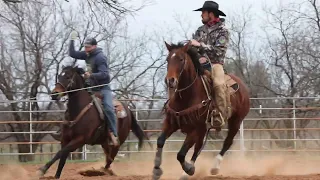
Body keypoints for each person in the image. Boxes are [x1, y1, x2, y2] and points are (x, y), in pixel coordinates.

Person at [63, 31, 119, 146]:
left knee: (108, 108)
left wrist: (91, 75)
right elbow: (72, 53)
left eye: (88, 47)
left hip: (103, 88)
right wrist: (72, 39)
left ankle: (113, 133)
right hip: (90, 87)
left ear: (94, 46)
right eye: (85, 47)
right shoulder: (87, 54)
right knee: (75, 102)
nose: (86, 48)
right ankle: (66, 127)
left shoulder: (100, 58)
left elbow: (105, 74)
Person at [191, 1, 230, 127]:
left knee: (218, 84)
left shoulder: (223, 30)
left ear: (211, 14)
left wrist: (200, 46)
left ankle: (220, 116)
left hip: (215, 64)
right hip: (199, 63)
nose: (201, 15)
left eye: (203, 13)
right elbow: (193, 48)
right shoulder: (200, 30)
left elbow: (219, 51)